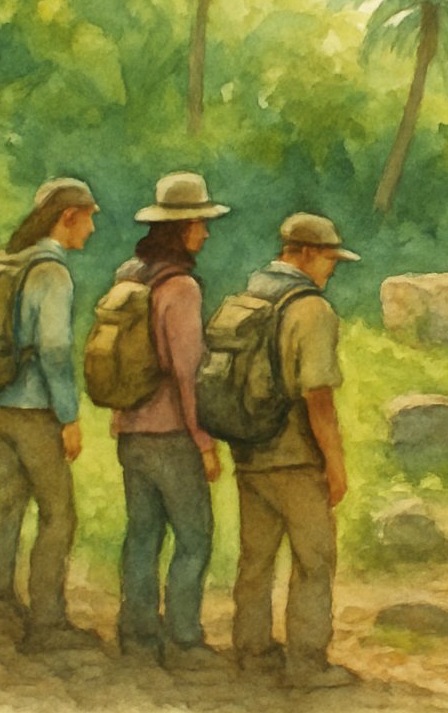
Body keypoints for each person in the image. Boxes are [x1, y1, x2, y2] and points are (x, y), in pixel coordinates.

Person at [231, 213, 358, 689]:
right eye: (329, 259)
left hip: (250, 452)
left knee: (255, 559)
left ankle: (252, 652)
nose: (332, 269)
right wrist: (335, 464)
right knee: (314, 559)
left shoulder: (248, 298)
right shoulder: (312, 311)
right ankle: (307, 663)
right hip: (296, 458)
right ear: (304, 253)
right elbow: (319, 398)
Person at [0, 177, 99, 652]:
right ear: (67, 216)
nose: (90, 229)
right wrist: (68, 416)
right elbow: (52, 349)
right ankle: (47, 623)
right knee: (58, 515)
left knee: (6, 506)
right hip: (33, 412)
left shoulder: (10, 262)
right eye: (88, 218)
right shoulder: (52, 272)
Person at [111, 172, 228, 670]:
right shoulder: (180, 288)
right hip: (172, 434)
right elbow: (187, 371)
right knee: (195, 536)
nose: (204, 233)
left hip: (130, 432)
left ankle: (137, 636)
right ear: (182, 229)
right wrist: (204, 442)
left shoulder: (129, 275)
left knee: (142, 534)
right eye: (200, 224)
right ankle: (183, 639)